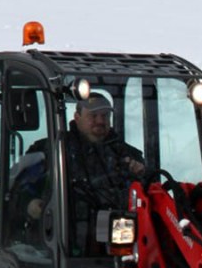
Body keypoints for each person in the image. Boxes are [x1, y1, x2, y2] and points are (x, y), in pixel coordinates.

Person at [25, 92, 145, 255]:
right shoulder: (50, 151)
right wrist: (30, 205)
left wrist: (141, 176)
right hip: (61, 246)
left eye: (105, 115)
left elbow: (144, 197)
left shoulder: (128, 155)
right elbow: (18, 191)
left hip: (118, 246)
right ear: (77, 117)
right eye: (93, 116)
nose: (101, 121)